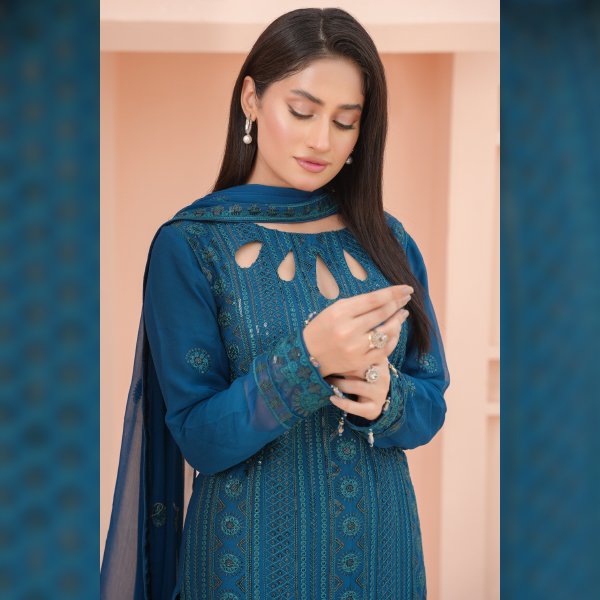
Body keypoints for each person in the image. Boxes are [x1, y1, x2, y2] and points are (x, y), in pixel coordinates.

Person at [100, 7, 449, 600]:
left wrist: (384, 394)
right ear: (251, 99)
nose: (322, 140)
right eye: (302, 111)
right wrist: (307, 361)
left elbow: (430, 405)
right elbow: (200, 438)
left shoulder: (388, 242)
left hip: (380, 559)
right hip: (246, 565)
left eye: (345, 121)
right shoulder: (192, 246)